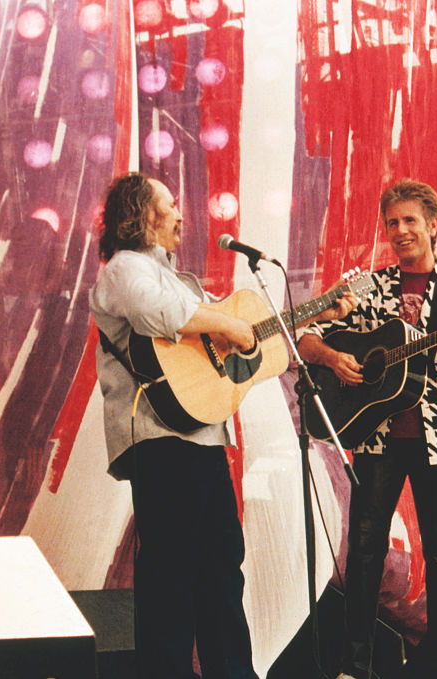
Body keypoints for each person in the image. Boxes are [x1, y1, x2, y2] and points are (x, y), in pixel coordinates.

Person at [90, 172, 355, 678]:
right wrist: (229, 324)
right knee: (170, 573)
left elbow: (243, 341)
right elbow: (157, 312)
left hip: (201, 438)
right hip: (159, 440)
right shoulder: (125, 269)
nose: (181, 214)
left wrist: (318, 313)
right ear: (144, 215)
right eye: (170, 205)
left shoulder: (180, 280)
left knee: (220, 565)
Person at [298, 178, 437, 679]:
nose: (400, 230)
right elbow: (305, 338)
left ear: (433, 225)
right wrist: (334, 357)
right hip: (377, 434)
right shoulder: (371, 285)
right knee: (364, 547)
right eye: (392, 222)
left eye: (410, 220)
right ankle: (356, 666)